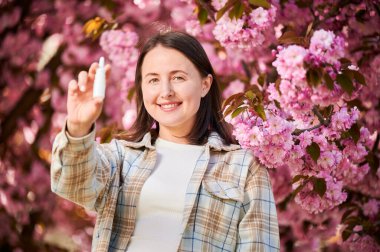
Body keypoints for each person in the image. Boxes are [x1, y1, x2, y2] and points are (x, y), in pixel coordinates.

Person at [51, 31, 280, 252]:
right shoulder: (121, 157)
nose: (166, 91)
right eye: (153, 80)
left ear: (205, 84)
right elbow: (73, 185)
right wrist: (79, 127)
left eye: (178, 78)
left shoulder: (243, 167)